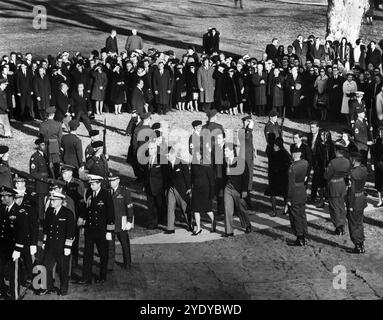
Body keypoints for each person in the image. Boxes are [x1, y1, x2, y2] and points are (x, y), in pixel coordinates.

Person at [77, 175, 115, 285]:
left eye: (93, 184)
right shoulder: (89, 193)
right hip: (90, 228)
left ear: (99, 183)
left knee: (103, 254)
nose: (91, 186)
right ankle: (86, 277)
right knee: (87, 254)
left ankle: (102, 276)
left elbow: (110, 213)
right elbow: (86, 209)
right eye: (90, 184)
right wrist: (83, 222)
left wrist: (109, 231)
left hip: (102, 230)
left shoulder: (106, 195)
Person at [39, 191, 75, 296]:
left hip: (62, 246)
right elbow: (46, 228)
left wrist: (68, 246)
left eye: (53, 200)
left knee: (63, 269)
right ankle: (48, 287)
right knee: (46, 267)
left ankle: (63, 290)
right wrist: (45, 241)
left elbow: (71, 231)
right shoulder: (49, 211)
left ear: (60, 201)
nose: (51, 202)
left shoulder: (68, 213)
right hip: (50, 246)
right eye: (51, 200)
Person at [0, 186, 28, 300]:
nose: (2, 198)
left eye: (4, 196)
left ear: (11, 197)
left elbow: (22, 231)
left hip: (13, 249)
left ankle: (15, 297)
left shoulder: (19, 211)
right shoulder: (2, 209)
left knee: (13, 275)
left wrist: (18, 249)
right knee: (0, 272)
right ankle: (2, 292)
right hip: (2, 248)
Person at [222, 143, 251, 237]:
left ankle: (247, 224)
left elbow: (246, 177)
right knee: (227, 209)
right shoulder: (225, 161)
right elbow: (223, 176)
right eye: (224, 150)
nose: (224, 152)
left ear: (232, 151)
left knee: (241, 209)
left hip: (238, 189)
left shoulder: (241, 161)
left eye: (226, 151)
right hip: (228, 188)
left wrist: (244, 190)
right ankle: (229, 231)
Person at [324, 143, 352, 235]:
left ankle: (338, 227)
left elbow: (327, 176)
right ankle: (342, 224)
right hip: (341, 184)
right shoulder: (347, 161)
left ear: (336, 152)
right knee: (341, 206)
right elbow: (348, 173)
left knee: (334, 207)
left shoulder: (333, 162)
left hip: (333, 185)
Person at [61, 164, 85, 268]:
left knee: (73, 241)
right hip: (62, 216)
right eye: (62, 173)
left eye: (65, 173)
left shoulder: (78, 184)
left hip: (74, 215)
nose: (63, 175)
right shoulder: (60, 183)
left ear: (70, 173)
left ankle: (73, 263)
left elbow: (81, 202)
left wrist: (81, 217)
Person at [107, 174, 134, 270]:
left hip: (121, 222)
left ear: (118, 180)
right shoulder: (107, 191)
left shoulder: (124, 191)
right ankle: (109, 265)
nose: (111, 182)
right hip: (110, 223)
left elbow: (129, 207)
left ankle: (127, 263)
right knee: (110, 245)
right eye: (109, 180)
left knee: (124, 244)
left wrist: (130, 221)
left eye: (113, 180)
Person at [164, 147, 192, 234]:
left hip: (181, 189)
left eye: (168, 155)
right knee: (170, 207)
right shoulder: (167, 164)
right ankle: (170, 228)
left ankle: (190, 224)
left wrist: (189, 188)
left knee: (185, 208)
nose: (167, 157)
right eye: (166, 156)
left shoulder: (182, 163)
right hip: (171, 189)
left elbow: (187, 177)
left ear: (173, 154)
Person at [286, 149, 309, 246]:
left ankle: (299, 237)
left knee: (295, 216)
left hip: (295, 192)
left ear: (294, 154)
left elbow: (291, 185)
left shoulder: (292, 168)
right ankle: (304, 234)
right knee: (302, 214)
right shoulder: (305, 163)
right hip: (302, 190)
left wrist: (289, 198)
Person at [346, 152, 368, 254]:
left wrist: (350, 205)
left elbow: (352, 190)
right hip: (361, 198)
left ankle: (358, 245)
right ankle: (361, 243)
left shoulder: (352, 173)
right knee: (359, 223)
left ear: (354, 160)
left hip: (354, 200)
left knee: (353, 224)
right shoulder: (363, 169)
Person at [190, 149, 215, 235]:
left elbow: (211, 180)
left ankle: (213, 222)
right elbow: (191, 177)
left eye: (198, 155)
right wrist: (190, 187)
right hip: (196, 190)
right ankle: (198, 228)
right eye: (195, 155)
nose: (196, 157)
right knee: (195, 209)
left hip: (205, 191)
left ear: (201, 156)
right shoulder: (193, 165)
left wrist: (212, 192)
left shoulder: (207, 165)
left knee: (208, 209)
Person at [265, 137, 291, 216]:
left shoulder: (284, 154)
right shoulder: (271, 153)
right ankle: (274, 210)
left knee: (285, 194)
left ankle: (286, 208)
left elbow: (287, 165)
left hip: (282, 177)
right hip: (273, 177)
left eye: (276, 146)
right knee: (272, 194)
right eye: (274, 145)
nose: (274, 147)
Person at [143, 141, 166, 229]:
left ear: (156, 149)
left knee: (160, 204)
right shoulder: (146, 159)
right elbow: (145, 174)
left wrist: (164, 186)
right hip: (149, 187)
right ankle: (153, 223)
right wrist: (145, 185)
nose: (150, 150)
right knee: (151, 206)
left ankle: (162, 219)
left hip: (159, 187)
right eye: (149, 148)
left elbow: (165, 174)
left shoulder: (161, 159)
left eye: (152, 148)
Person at [30, 138, 50, 222]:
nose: (44, 146)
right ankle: (41, 220)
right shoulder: (35, 157)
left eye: (44, 144)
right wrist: (44, 179)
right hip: (40, 184)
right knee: (40, 204)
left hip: (47, 183)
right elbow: (33, 173)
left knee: (46, 202)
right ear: (38, 146)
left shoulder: (45, 155)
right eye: (42, 145)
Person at [39, 106, 62, 179]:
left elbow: (41, 137)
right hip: (55, 145)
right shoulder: (58, 124)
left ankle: (49, 177)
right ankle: (56, 177)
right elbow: (60, 137)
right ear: (54, 114)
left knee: (47, 162)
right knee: (56, 163)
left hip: (46, 145)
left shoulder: (42, 124)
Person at [239, 116, 256, 209]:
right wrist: (249, 128)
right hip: (245, 158)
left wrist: (253, 149)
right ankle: (246, 201)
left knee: (249, 178)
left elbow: (249, 141)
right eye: (248, 121)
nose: (249, 123)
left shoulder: (247, 130)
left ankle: (247, 200)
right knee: (246, 178)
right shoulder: (242, 131)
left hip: (249, 156)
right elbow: (246, 137)